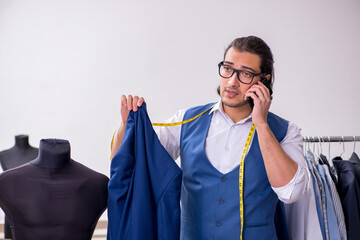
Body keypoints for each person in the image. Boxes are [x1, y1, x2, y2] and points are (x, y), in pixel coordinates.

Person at [111, 36, 309, 239]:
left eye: (246, 74)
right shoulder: (185, 121)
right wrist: (126, 126)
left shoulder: (286, 132)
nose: (232, 82)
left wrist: (261, 124)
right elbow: (128, 163)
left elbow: (291, 192)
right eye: (228, 69)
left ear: (263, 80)